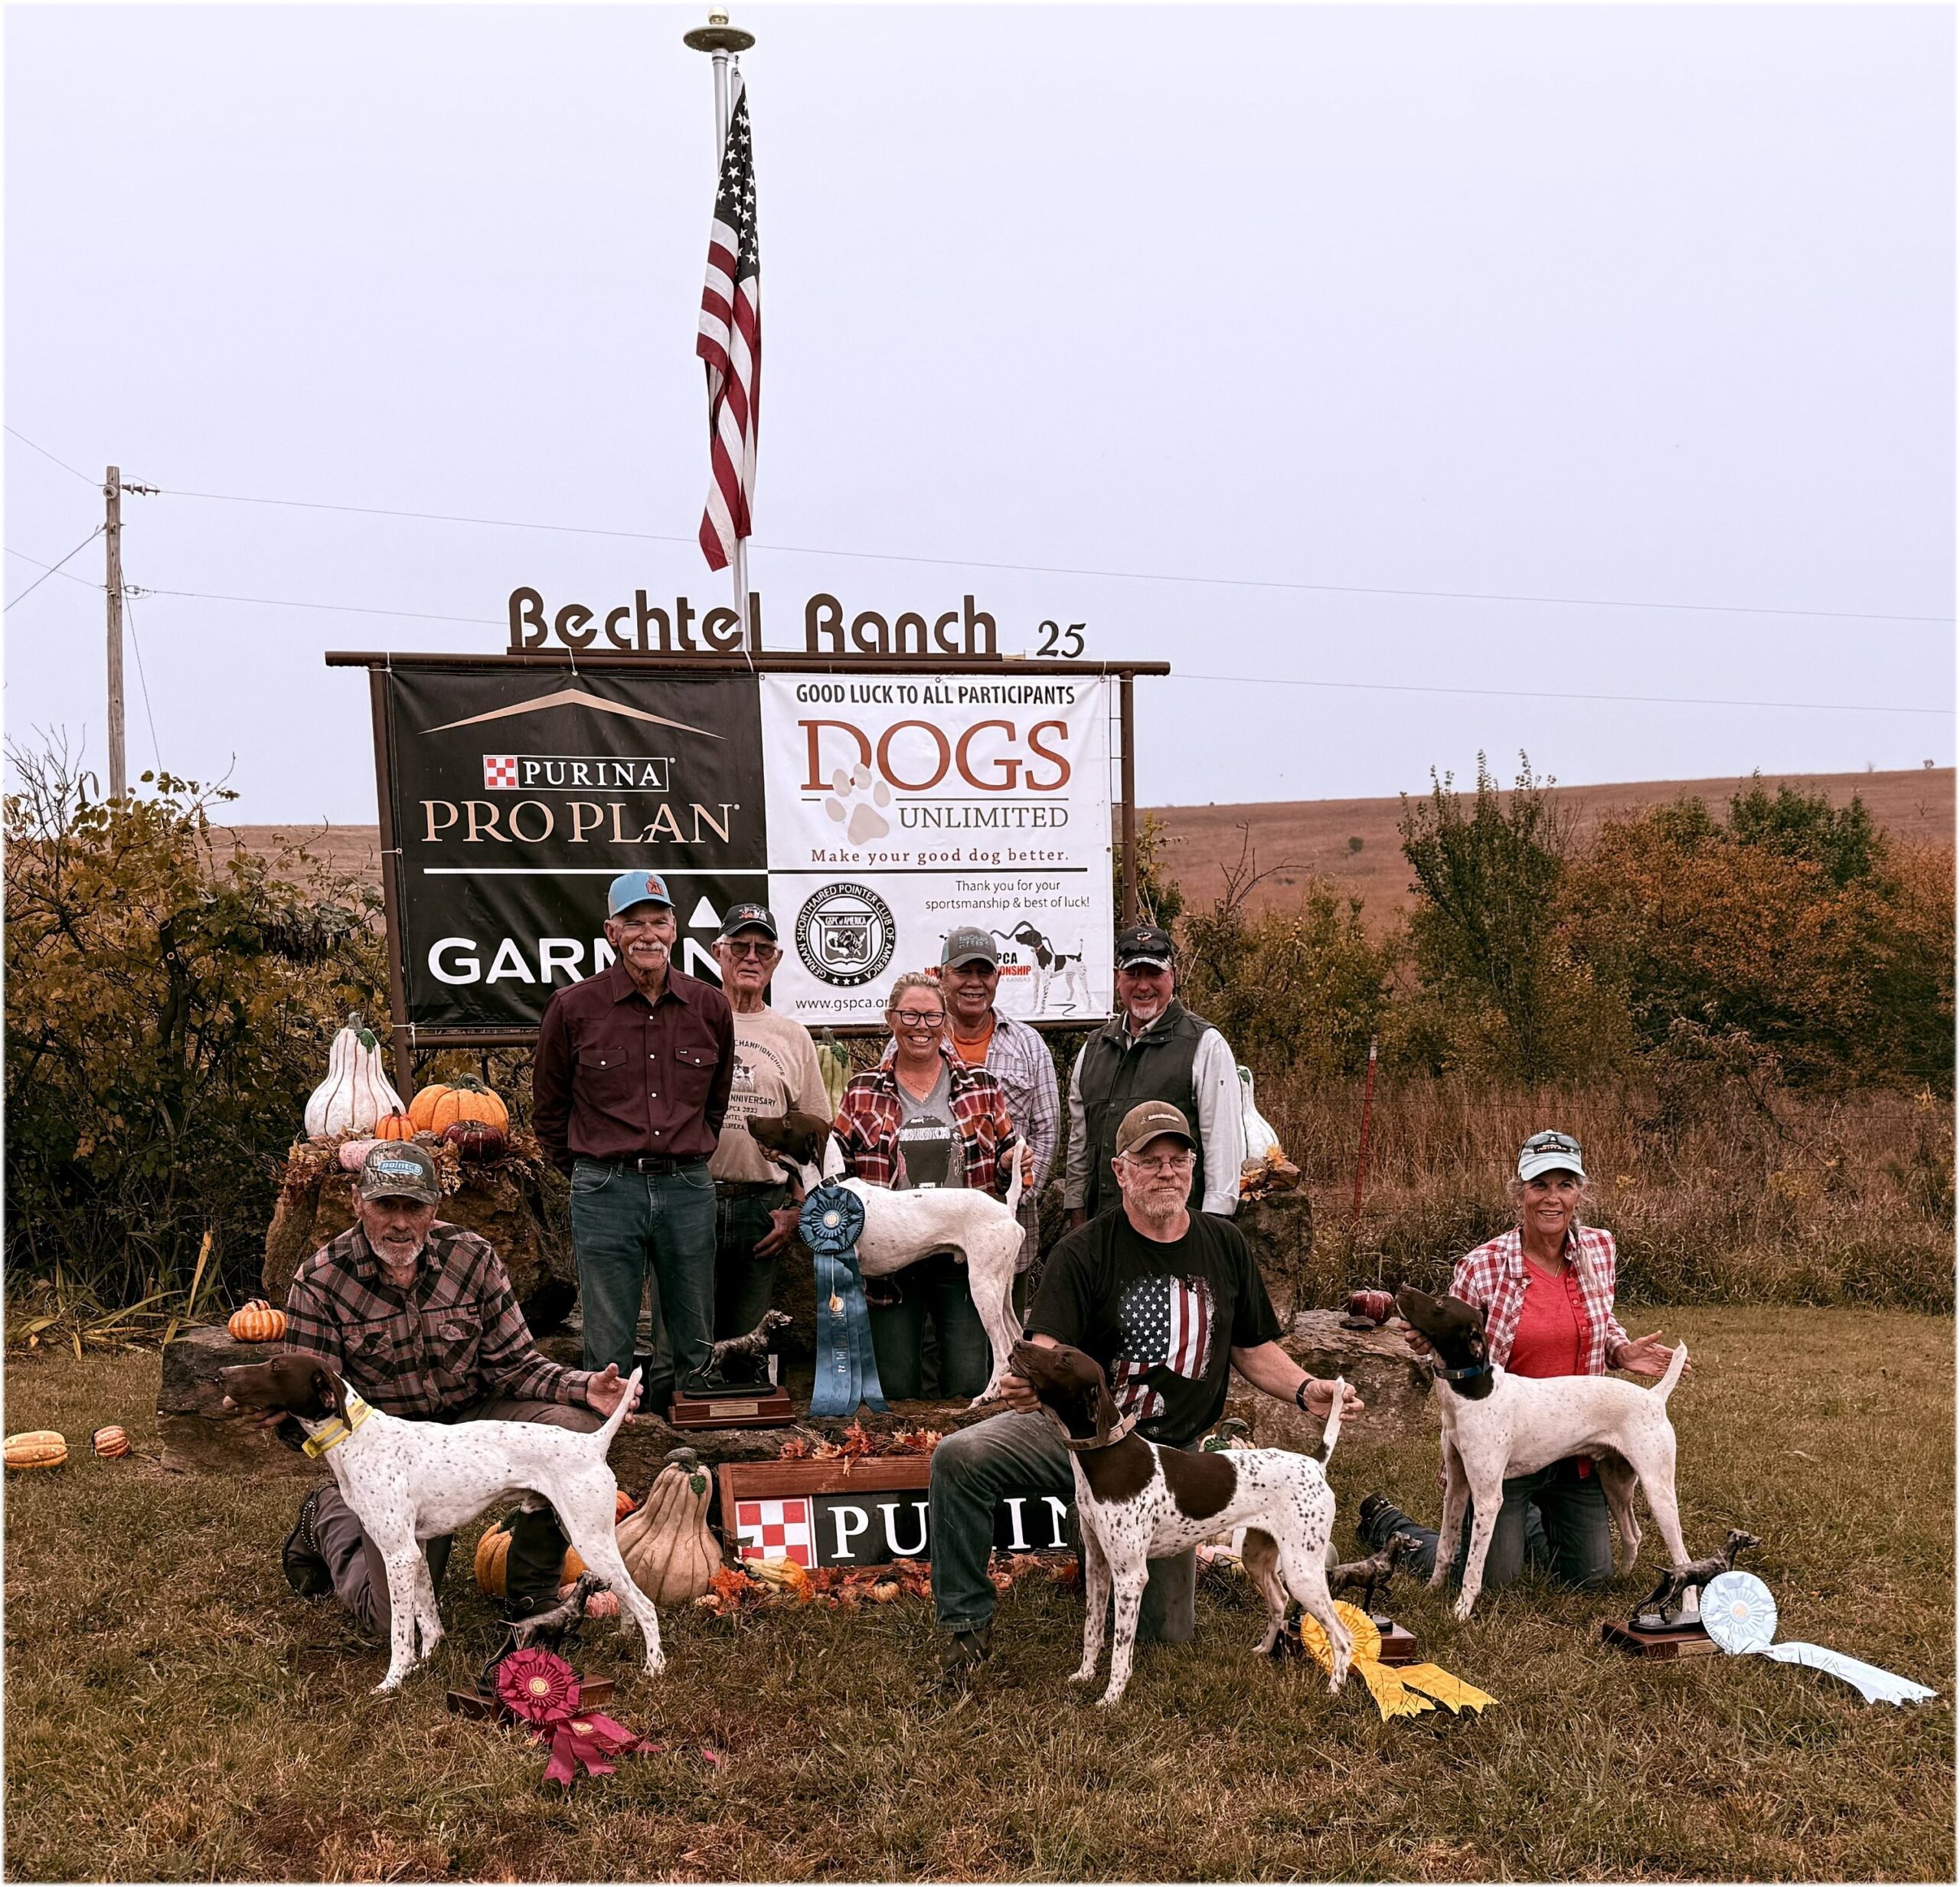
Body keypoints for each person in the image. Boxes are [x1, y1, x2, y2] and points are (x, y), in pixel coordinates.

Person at [929, 1100, 1364, 1673]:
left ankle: (1109, 1548)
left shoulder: (1225, 1245)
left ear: (1193, 1168)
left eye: (1178, 1159)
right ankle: (966, 1628)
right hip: (1079, 1440)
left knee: (1165, 1636)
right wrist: (1025, 1385)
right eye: (1150, 1160)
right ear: (1120, 1171)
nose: (1166, 1171)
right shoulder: (1084, 1251)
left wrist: (1309, 1390)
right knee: (960, 1457)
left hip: (1170, 1461)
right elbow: (1046, 1347)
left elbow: (1253, 1349)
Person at [274, 1141, 641, 1627]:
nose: (400, 1222)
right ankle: (330, 1518)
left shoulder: (472, 1257)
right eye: (386, 1205)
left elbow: (515, 1364)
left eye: (414, 1206)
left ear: (435, 1209)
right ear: (358, 1202)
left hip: (472, 1424)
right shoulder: (320, 1282)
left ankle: (531, 1590)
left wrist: (584, 1388)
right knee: (387, 1619)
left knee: (571, 1428)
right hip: (395, 1454)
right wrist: (282, 1415)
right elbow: (316, 1399)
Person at [1357, 1129, 1680, 1592]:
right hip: (1503, 1436)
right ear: (1520, 1192)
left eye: (1564, 1185)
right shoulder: (1482, 1265)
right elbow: (1453, 1342)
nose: (1552, 1198)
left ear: (1579, 1193)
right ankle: (1392, 1526)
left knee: (1589, 1578)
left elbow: (1599, 1322)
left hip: (1573, 1436)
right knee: (1494, 1580)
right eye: (1539, 1185)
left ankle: (1531, 1519)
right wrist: (1423, 1339)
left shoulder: (1600, 1249)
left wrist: (1621, 1350)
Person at [533, 870, 736, 1408]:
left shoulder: (711, 1007)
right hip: (606, 1187)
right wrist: (586, 1170)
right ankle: (613, 1447)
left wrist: (690, 1155)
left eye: (659, 922)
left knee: (693, 1332)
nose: (648, 934)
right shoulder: (573, 1008)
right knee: (608, 1335)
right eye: (634, 923)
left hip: (687, 1186)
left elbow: (715, 1103)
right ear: (611, 932)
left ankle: (691, 1441)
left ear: (675, 931)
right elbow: (549, 1110)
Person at [831, 970, 1024, 1401]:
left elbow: (1008, 1162)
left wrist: (1012, 1163)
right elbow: (836, 1172)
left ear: (946, 1021)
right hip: (890, 1258)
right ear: (891, 1019)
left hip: (960, 1250)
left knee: (967, 1381)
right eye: (910, 1015)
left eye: (932, 1016)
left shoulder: (982, 1086)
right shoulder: (861, 1090)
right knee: (894, 1388)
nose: (922, 1026)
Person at [1064, 922, 1246, 1228]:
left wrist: (1212, 1229)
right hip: (1104, 1234)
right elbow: (1080, 1148)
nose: (1144, 986)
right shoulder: (1093, 1049)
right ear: (1117, 979)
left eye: (1154, 974)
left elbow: (1223, 1147)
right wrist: (1077, 1213)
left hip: (1177, 1235)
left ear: (1172, 975)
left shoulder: (1206, 1044)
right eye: (1133, 974)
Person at [707, 902, 831, 1344]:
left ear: (777, 960)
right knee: (684, 1343)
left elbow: (815, 1138)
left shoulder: (793, 1036)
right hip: (692, 1200)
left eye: (763, 949)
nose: (751, 957)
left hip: (762, 1208)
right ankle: (677, 1414)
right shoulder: (689, 1020)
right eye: (740, 946)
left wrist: (798, 1211)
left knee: (747, 1342)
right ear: (718, 952)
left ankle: (740, 1413)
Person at [939, 925, 1060, 1297]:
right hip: (930, 1234)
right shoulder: (915, 1041)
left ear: (998, 976)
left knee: (1004, 1345)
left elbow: (1047, 1130)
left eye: (984, 972)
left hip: (1005, 1231)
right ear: (942, 976)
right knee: (932, 1350)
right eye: (963, 972)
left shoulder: (1028, 1044)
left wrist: (1013, 1199)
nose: (974, 983)